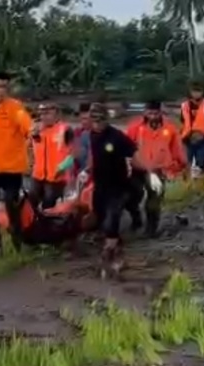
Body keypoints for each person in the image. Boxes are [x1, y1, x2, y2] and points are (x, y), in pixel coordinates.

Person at [86, 102, 153, 278]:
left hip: (118, 184)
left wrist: (148, 173)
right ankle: (114, 244)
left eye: (101, 120)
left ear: (106, 119)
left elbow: (134, 154)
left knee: (112, 216)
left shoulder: (117, 136)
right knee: (99, 217)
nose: (97, 123)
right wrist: (83, 172)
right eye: (94, 119)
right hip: (99, 185)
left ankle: (112, 253)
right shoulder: (89, 136)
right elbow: (87, 157)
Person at [0, 71, 33, 256]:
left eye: (4, 87)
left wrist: (32, 131)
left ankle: (19, 243)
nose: (1, 91)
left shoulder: (14, 107)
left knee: (12, 206)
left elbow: (24, 121)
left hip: (11, 169)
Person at [128, 100, 188, 237]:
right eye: (150, 113)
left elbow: (177, 150)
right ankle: (135, 219)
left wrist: (181, 166)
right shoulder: (135, 127)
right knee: (131, 197)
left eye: (156, 113)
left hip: (159, 170)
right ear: (145, 112)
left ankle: (150, 230)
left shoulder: (170, 128)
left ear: (160, 112)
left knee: (153, 200)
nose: (153, 116)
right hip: (138, 168)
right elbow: (125, 147)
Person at [30, 103, 74, 209]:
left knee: (49, 204)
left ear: (57, 115)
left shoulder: (65, 130)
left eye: (48, 113)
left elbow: (74, 154)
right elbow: (31, 148)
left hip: (56, 177)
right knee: (31, 202)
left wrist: (62, 167)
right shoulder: (36, 130)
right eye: (42, 114)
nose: (44, 117)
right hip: (38, 175)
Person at [179, 81, 204, 182]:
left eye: (199, 91)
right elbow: (183, 122)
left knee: (201, 161)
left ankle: (202, 182)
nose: (196, 94)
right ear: (190, 92)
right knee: (186, 162)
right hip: (188, 138)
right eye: (194, 91)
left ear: (202, 92)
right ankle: (186, 184)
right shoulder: (184, 106)